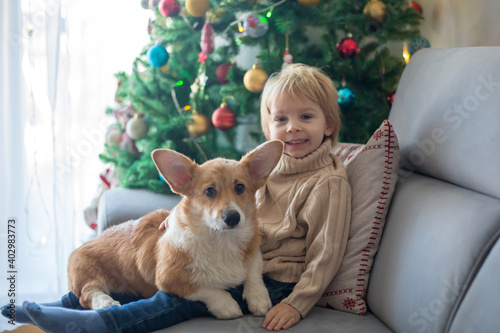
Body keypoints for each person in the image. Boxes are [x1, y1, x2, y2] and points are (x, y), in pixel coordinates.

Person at [2, 63, 351, 332]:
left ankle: (103, 326)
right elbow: (204, 194)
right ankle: (63, 304)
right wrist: (178, 215)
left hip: (280, 279)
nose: (292, 127)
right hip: (243, 260)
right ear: (269, 127)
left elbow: (327, 252)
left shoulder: (326, 183)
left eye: (306, 117)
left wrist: (299, 303)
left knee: (172, 302)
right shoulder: (269, 169)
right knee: (136, 281)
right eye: (282, 119)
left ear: (329, 124)